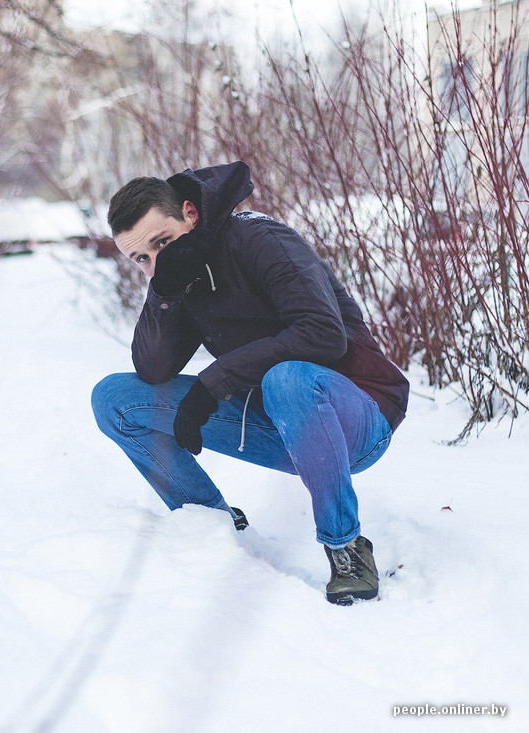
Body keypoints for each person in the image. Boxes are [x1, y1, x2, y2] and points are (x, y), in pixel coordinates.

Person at [91, 161, 409, 605]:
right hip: (276, 424)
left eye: (162, 243)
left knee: (287, 379)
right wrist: (163, 292)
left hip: (353, 416)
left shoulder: (258, 238)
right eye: (141, 259)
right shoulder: (178, 275)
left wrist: (213, 382)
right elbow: (152, 370)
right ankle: (214, 526)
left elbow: (322, 332)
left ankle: (346, 548)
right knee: (114, 399)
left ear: (190, 213)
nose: (155, 263)